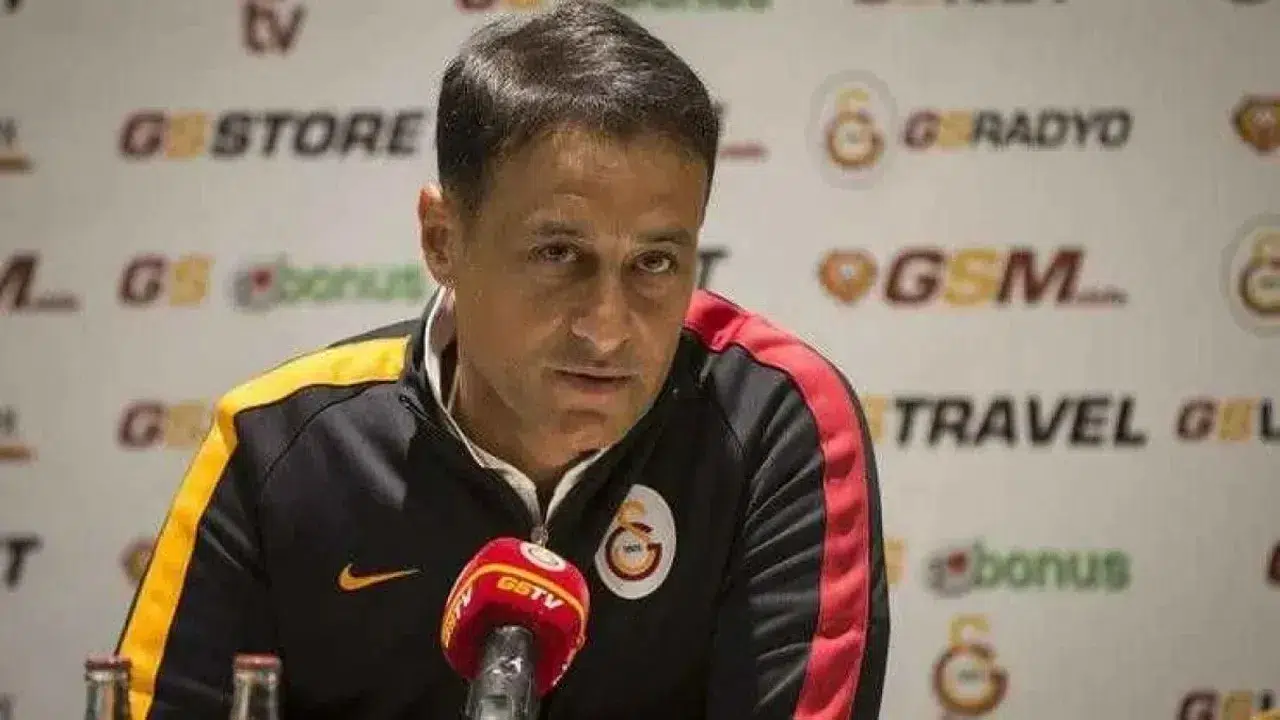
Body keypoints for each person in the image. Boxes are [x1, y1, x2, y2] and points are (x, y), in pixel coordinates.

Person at [113, 1, 891, 718]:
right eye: (558, 254)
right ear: (442, 240)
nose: (608, 329)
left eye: (655, 263)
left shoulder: (775, 424)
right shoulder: (280, 444)